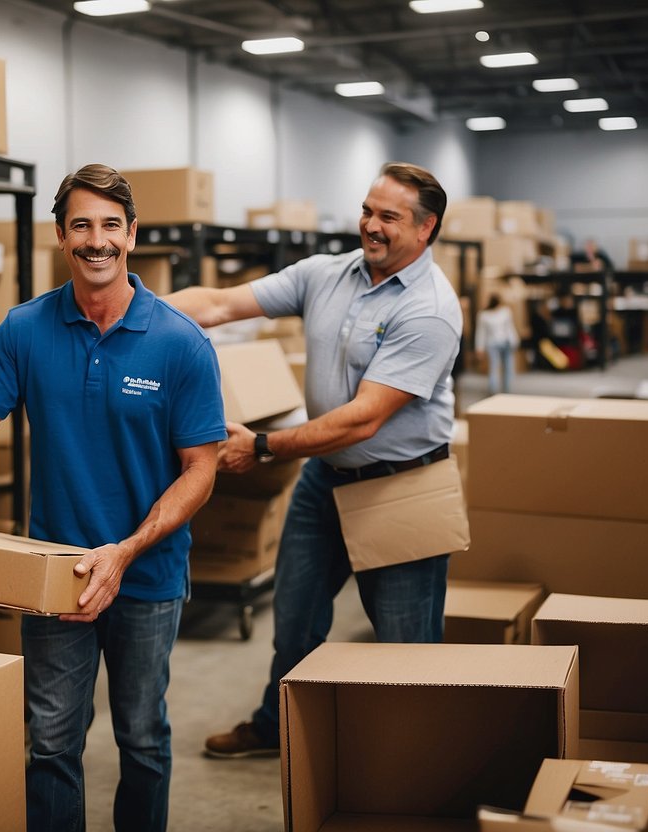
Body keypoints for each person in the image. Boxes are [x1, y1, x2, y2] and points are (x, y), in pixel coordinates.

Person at [0, 163, 226, 831]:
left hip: (146, 576)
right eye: (81, 225)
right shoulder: (25, 329)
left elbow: (201, 467)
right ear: (61, 235)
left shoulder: (180, 343)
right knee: (52, 741)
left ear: (132, 234)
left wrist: (129, 549)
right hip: (54, 574)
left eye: (110, 225)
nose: (97, 240)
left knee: (142, 739)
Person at [165, 161, 462, 759]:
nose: (370, 226)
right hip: (324, 480)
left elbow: (364, 417)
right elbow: (221, 304)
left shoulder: (430, 310)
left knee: (407, 642)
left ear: (426, 229)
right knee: (295, 621)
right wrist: (131, 313)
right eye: (367, 210)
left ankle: (420, 761)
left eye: (389, 217)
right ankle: (278, 728)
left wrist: (264, 446)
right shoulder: (327, 275)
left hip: (400, 485)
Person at [474, 292, 521, 394]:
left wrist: (479, 347)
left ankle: (494, 391)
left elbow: (481, 333)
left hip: (494, 343)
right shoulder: (504, 312)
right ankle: (505, 391)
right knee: (506, 367)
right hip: (503, 342)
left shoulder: (484, 315)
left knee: (495, 367)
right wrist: (515, 340)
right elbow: (510, 329)